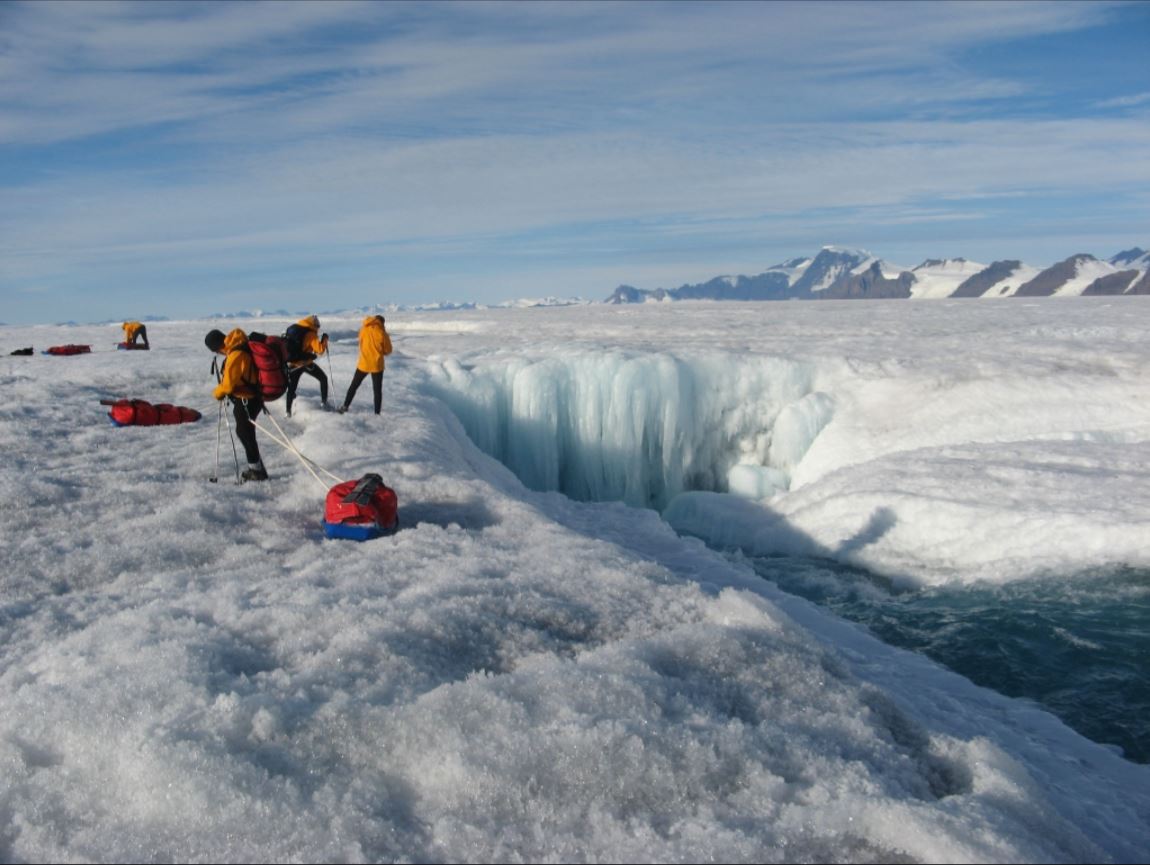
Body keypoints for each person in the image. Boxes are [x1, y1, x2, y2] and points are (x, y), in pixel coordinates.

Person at [205, 328, 268, 481]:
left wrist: (217, 393)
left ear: (218, 348)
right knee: (245, 432)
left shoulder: (235, 354)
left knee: (245, 433)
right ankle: (257, 468)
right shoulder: (240, 345)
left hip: (247, 400)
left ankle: (257, 471)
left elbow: (227, 386)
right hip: (252, 398)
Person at [338, 315, 392, 414]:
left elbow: (361, 342)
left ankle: (345, 406)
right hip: (377, 365)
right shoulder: (382, 334)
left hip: (363, 363)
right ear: (382, 323)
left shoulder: (363, 330)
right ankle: (377, 414)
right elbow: (388, 350)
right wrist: (380, 352)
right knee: (377, 391)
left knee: (354, 386)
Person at [283, 315, 330, 416]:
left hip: (294, 364)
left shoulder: (296, 329)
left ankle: (288, 411)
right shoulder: (311, 334)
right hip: (306, 363)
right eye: (317, 325)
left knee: (292, 388)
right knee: (323, 378)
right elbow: (320, 350)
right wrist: (325, 339)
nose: (318, 327)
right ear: (314, 325)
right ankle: (324, 403)